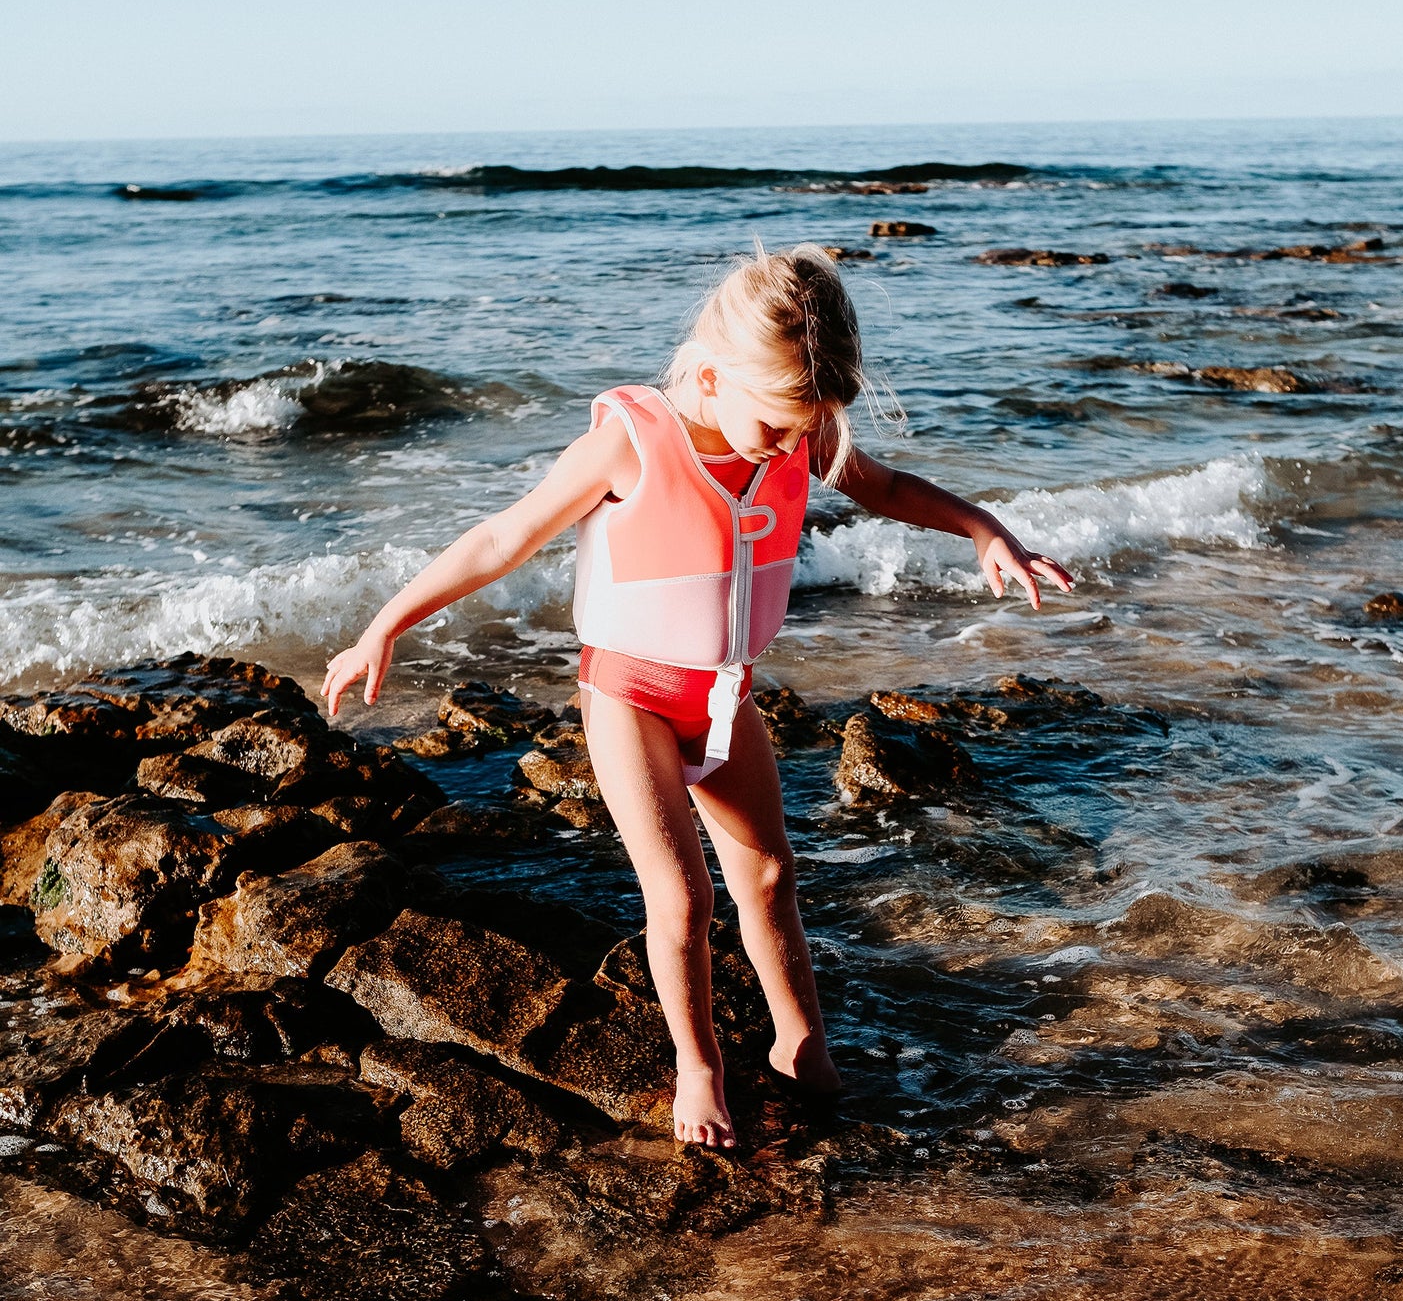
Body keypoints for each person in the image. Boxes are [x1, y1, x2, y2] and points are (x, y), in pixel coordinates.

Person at [322, 243, 1074, 1150]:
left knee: (767, 874)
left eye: (806, 429)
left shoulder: (803, 426)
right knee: (682, 900)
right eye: (776, 426)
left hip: (725, 696)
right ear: (712, 376)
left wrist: (984, 531)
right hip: (628, 694)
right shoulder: (630, 441)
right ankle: (699, 1064)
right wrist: (384, 625)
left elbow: (886, 487)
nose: (792, 446)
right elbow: (501, 538)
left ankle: (802, 1047)